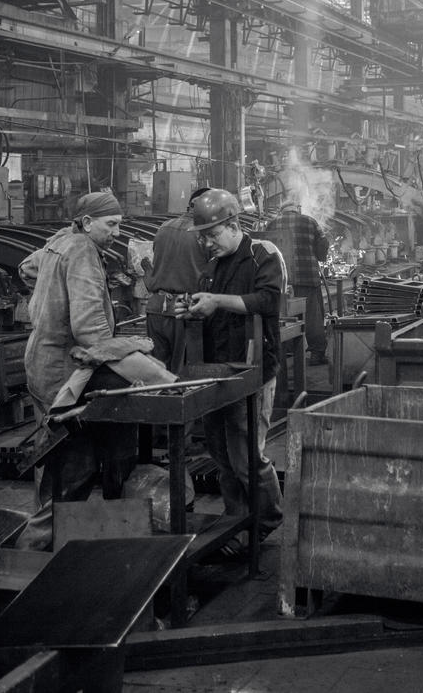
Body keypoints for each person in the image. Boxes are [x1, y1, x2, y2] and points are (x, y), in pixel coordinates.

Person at [17, 191, 173, 550]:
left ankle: (45, 547)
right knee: (74, 467)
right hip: (62, 371)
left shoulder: (61, 240)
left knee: (55, 455)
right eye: (111, 224)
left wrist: (53, 300)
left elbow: (26, 267)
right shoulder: (83, 250)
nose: (117, 232)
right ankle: (31, 553)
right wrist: (135, 351)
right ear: (87, 223)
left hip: (40, 361)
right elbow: (91, 332)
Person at [177, 188, 284, 558]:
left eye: (212, 235)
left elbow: (268, 301)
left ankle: (267, 520)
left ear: (234, 225)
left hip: (253, 371)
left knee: (246, 457)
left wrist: (216, 302)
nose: (207, 243)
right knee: (222, 456)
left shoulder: (263, 255)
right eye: (203, 237)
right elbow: (211, 311)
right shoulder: (213, 268)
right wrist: (192, 309)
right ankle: (236, 521)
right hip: (218, 372)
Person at [145, 185, 212, 373]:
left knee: (157, 374)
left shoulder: (163, 228)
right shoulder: (205, 233)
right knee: (184, 374)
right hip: (186, 310)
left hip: (156, 309)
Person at [264, 196, 330, 364]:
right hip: (308, 277)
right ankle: (316, 354)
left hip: (282, 281)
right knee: (313, 316)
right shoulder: (310, 221)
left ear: (282, 210)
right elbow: (323, 245)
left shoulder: (271, 224)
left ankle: (286, 350)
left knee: (284, 316)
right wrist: (319, 255)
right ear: (297, 209)